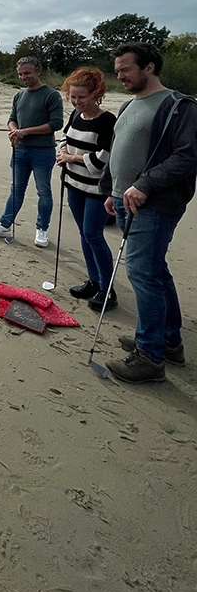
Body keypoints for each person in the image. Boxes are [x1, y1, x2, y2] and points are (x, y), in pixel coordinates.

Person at [99, 43, 197, 384]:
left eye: (126, 69)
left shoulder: (179, 107)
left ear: (150, 68)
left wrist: (144, 184)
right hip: (125, 201)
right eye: (118, 69)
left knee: (143, 275)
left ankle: (150, 357)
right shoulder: (129, 104)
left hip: (154, 204)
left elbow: (187, 156)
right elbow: (120, 148)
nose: (119, 75)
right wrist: (111, 191)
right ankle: (168, 342)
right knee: (155, 271)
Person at [0, 56, 64, 246]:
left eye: (27, 73)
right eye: (20, 74)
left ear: (38, 71)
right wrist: (14, 131)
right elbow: (12, 119)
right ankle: (4, 223)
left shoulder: (51, 95)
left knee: (44, 192)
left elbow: (56, 124)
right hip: (20, 151)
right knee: (16, 190)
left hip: (43, 152)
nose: (23, 77)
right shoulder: (19, 95)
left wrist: (27, 131)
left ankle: (42, 229)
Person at [56, 67, 117, 309]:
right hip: (73, 183)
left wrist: (72, 158)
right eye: (73, 96)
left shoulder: (107, 121)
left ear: (96, 94)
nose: (77, 101)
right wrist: (62, 151)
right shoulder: (74, 115)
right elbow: (65, 137)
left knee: (93, 233)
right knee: (83, 233)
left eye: (82, 97)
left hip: (96, 189)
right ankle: (93, 280)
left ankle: (107, 288)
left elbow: (102, 159)